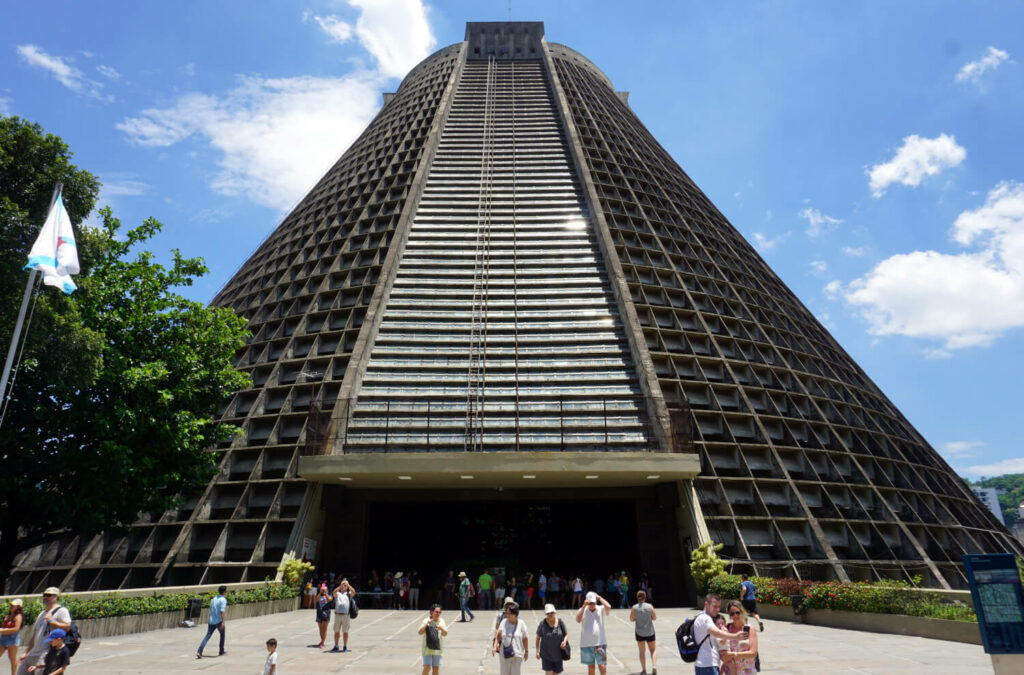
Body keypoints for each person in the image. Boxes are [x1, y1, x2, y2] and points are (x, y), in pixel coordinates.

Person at [16, 588, 70, 675]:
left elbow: (67, 627)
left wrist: (52, 621)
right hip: (33, 653)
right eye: (44, 595)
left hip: (45, 654)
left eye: (48, 595)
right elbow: (35, 635)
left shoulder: (61, 611)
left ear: (55, 597)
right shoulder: (42, 613)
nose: (45, 597)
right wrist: (25, 652)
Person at [692, 593, 745, 675]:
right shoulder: (704, 618)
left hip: (707, 665)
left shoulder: (705, 617)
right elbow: (716, 633)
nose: (717, 609)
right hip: (707, 665)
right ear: (706, 604)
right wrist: (735, 636)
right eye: (714, 606)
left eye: (719, 607)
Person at [719, 601, 758, 675]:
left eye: (737, 612)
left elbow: (753, 653)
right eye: (732, 613)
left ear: (742, 612)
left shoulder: (749, 629)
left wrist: (733, 654)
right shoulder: (727, 628)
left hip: (747, 671)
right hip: (730, 671)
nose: (735, 615)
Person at [576, 592, 610, 675]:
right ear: (587, 602)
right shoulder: (582, 610)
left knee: (602, 667)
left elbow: (608, 607)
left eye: (593, 603)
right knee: (591, 667)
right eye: (590, 603)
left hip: (600, 643)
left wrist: (599, 597)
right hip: (586, 644)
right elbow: (578, 620)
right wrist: (584, 606)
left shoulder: (600, 609)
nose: (592, 605)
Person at [492, 605, 528, 675]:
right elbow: (498, 636)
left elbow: (525, 638)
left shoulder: (521, 624)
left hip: (517, 654)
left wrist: (526, 651)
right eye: (506, 613)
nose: (507, 615)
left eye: (509, 613)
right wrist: (494, 646)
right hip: (505, 653)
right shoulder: (504, 622)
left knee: (516, 673)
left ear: (515, 614)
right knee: (504, 673)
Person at [535, 603, 569, 675]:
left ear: (554, 612)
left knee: (556, 673)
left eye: (552, 613)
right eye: (548, 613)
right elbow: (538, 638)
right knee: (549, 673)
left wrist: (564, 642)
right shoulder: (542, 624)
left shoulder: (560, 622)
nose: (550, 615)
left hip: (558, 654)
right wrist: (537, 651)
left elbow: (566, 634)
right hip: (546, 654)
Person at [630, 590, 658, 675]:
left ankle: (644, 670)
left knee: (642, 651)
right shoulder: (650, 606)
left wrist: (636, 619)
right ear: (645, 597)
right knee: (653, 650)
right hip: (650, 631)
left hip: (639, 632)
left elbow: (631, 619)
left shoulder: (634, 607)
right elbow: (654, 617)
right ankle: (654, 665)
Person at [196, 585, 228, 658]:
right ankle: (221, 651)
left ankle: (199, 651)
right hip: (219, 621)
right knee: (222, 635)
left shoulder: (214, 599)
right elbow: (222, 611)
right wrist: (223, 622)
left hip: (211, 621)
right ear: (224, 592)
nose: (226, 592)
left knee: (207, 636)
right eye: (226, 591)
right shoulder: (223, 600)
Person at [418, 604, 448, 675]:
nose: (438, 614)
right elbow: (420, 632)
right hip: (427, 649)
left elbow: (445, 634)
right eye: (436, 612)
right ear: (431, 612)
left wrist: (441, 628)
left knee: (436, 669)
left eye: (439, 612)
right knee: (427, 667)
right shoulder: (426, 620)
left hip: (437, 649)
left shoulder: (441, 621)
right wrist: (427, 624)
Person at [331, 578, 355, 652]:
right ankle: (336, 645)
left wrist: (348, 585)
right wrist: (340, 586)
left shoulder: (348, 594)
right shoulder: (338, 593)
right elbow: (333, 593)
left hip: (345, 615)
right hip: (338, 615)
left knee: (345, 631)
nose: (343, 586)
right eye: (343, 585)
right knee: (336, 631)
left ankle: (345, 646)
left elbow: (354, 592)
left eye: (345, 586)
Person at [1, 599, 24, 675]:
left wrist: (2, 630)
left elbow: (16, 629)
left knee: (12, 659)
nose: (11, 607)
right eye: (11, 605)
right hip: (4, 638)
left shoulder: (18, 616)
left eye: (13, 606)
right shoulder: (8, 616)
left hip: (12, 639)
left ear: (18, 607)